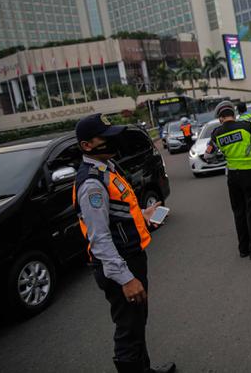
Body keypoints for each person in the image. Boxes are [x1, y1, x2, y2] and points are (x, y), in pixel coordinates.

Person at [72, 114, 176, 373]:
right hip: (120, 266)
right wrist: (126, 279)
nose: (112, 140)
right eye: (104, 138)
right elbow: (99, 238)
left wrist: (144, 214)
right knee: (128, 330)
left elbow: (116, 212)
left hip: (131, 256)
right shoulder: (92, 184)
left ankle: (145, 369)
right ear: (87, 146)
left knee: (138, 321)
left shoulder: (108, 168)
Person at [204, 101, 251, 260]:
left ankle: (244, 249)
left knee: (239, 212)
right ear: (233, 115)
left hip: (233, 178)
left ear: (221, 118)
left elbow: (208, 155)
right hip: (250, 174)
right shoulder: (246, 126)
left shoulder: (216, 133)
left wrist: (224, 156)